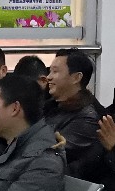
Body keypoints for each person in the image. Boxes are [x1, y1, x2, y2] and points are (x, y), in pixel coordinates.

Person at [44, 48, 103, 178]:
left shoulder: (87, 117)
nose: (49, 77)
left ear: (76, 77)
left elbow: (49, 152)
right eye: (50, 71)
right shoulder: (50, 106)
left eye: (55, 71)